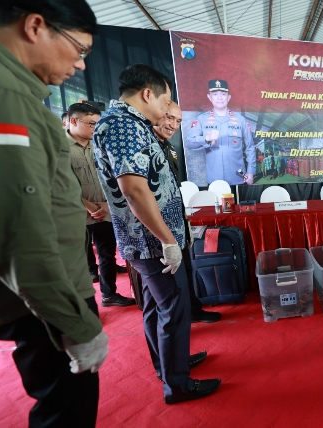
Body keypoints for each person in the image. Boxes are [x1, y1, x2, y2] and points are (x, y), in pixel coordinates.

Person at [0, 1, 109, 426]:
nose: (80, 65)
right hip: (47, 302)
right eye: (79, 49)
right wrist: (77, 325)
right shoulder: (10, 100)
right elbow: (21, 234)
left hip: (42, 297)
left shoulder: (19, 96)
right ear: (35, 26)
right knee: (66, 411)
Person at [93, 63, 220, 404]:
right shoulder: (122, 125)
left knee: (154, 306)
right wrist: (167, 240)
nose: (166, 112)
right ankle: (177, 384)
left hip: (149, 240)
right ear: (147, 94)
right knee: (174, 310)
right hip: (152, 243)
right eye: (165, 103)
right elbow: (135, 190)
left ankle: (168, 365)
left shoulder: (130, 123)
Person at [152, 101, 222, 323]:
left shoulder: (168, 148)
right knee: (170, 288)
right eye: (169, 118)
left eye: (178, 121)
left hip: (176, 222)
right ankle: (179, 326)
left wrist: (183, 221)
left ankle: (193, 311)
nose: (173, 125)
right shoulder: (147, 146)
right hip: (159, 229)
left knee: (186, 273)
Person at [67, 102, 136, 307]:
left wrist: (107, 204)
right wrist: (89, 206)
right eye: (91, 124)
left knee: (107, 255)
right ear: (74, 121)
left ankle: (109, 294)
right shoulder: (59, 148)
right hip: (77, 214)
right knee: (78, 261)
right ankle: (81, 305)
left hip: (105, 211)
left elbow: (112, 176)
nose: (95, 128)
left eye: (98, 124)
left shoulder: (98, 145)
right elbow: (61, 184)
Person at [185, 79, 256, 185]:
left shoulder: (241, 120)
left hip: (238, 178)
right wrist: (205, 138)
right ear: (209, 97)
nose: (219, 98)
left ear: (229, 97)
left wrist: (251, 171)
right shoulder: (202, 119)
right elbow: (189, 143)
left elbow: (250, 147)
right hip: (214, 180)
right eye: (215, 94)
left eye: (223, 94)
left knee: (237, 197)